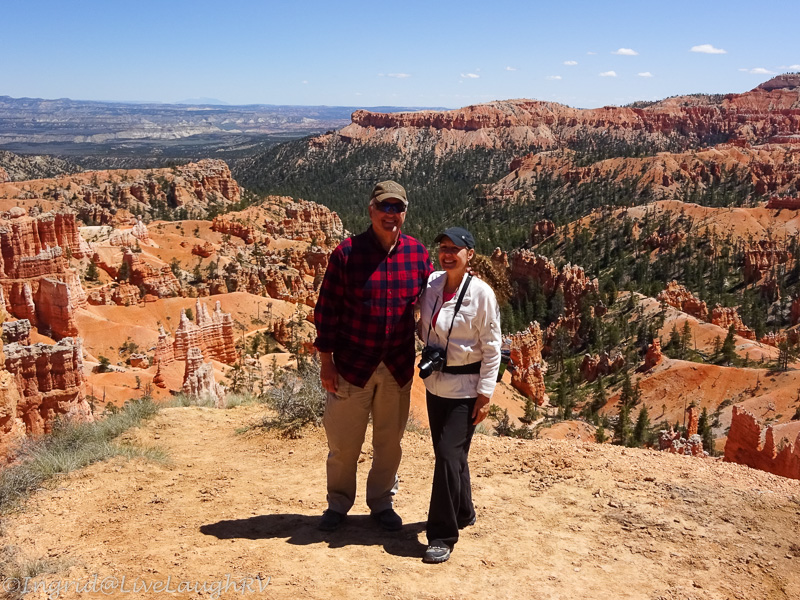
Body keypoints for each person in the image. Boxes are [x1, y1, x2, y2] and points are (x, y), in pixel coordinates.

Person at [313, 180, 432, 532]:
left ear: (405, 213)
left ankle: (381, 503)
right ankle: (338, 504)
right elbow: (326, 312)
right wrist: (326, 363)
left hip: (396, 368)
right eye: (384, 207)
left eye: (397, 208)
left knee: (388, 443)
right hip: (351, 366)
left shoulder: (417, 253)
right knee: (343, 444)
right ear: (371, 209)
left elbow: (434, 301)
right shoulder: (346, 254)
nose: (390, 215)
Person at [416, 226, 501, 563]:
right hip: (435, 385)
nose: (448, 254)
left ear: (470, 256)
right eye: (444, 248)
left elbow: (493, 349)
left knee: (448, 457)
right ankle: (463, 510)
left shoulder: (482, 295)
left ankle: (441, 534)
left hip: (466, 391)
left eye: (456, 249)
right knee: (451, 455)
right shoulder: (433, 283)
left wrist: (485, 395)